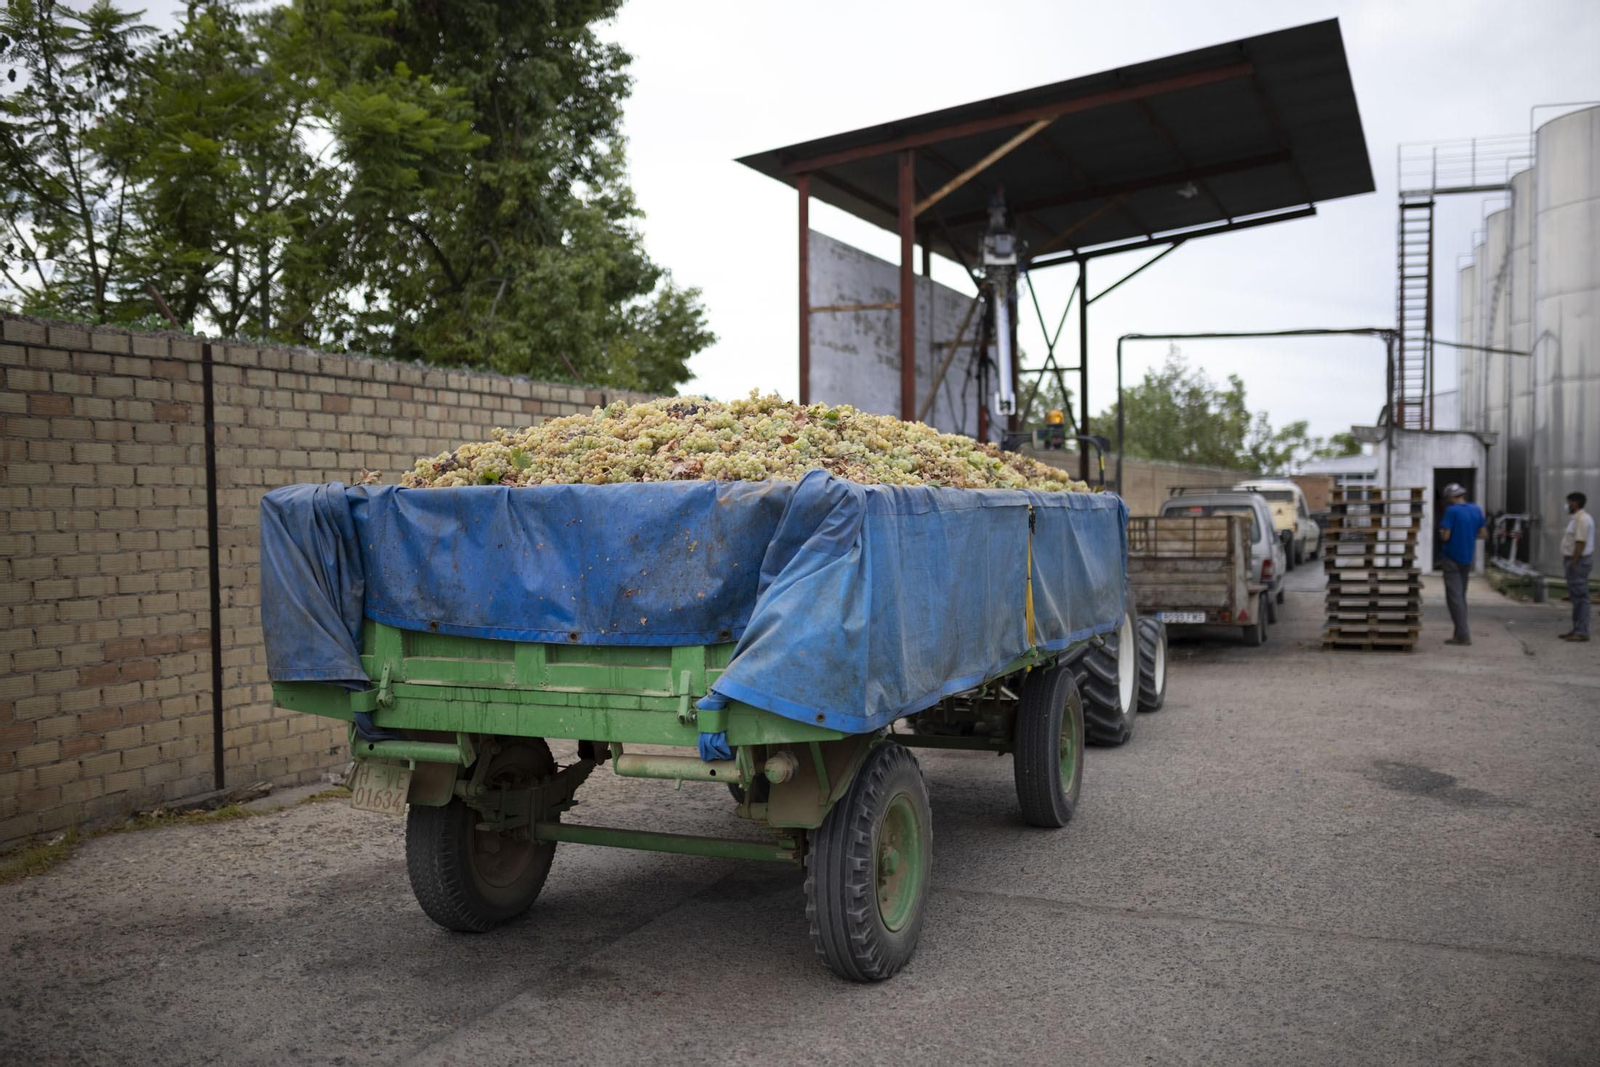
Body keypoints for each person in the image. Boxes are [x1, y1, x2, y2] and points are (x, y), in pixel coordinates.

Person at [1437, 483, 1486, 646]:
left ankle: (1463, 635)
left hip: (1451, 558)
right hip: (1467, 558)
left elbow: (1445, 536)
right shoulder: (1476, 509)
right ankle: (1459, 633)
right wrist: (1467, 536)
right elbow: (1483, 533)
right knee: (1461, 596)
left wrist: (1443, 532)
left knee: (1455, 598)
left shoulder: (1451, 511)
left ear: (1451, 497)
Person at [1560, 491, 1593, 642]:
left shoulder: (1582, 519)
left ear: (1575, 503)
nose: (1567, 506)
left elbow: (1580, 542)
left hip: (1578, 561)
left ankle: (1581, 632)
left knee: (1580, 597)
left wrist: (1574, 561)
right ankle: (1576, 629)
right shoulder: (1576, 519)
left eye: (1569, 502)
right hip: (1575, 560)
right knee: (1576, 597)